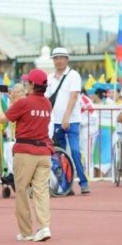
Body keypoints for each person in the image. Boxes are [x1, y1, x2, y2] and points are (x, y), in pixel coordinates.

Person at [0, 69, 53, 242]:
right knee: (41, 191)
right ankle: (44, 227)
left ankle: (26, 231)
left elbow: (3, 119)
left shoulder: (24, 103)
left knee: (22, 190)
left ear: (32, 85)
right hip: (44, 152)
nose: (25, 85)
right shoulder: (47, 104)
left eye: (27, 82)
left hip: (25, 152)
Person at [46, 47, 90, 195]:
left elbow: (73, 97)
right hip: (55, 121)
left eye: (62, 58)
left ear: (67, 59)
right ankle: (66, 185)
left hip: (72, 120)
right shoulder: (50, 78)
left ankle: (84, 183)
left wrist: (66, 117)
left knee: (75, 151)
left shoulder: (74, 76)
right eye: (56, 58)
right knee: (59, 155)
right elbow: (46, 98)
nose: (59, 61)